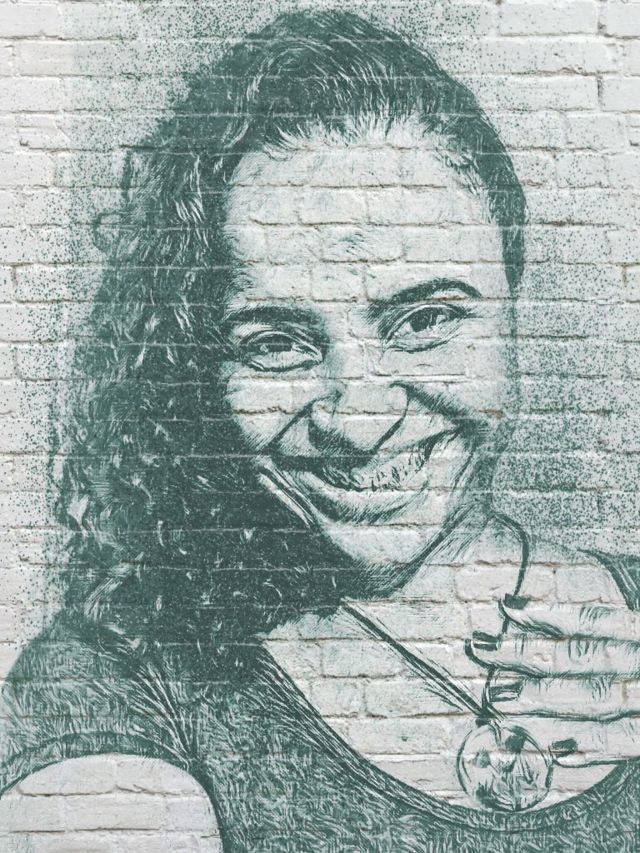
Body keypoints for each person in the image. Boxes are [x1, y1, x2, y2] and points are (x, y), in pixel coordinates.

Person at [2, 10, 640, 850]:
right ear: (201, 369)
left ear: (514, 305)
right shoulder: (112, 680)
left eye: (425, 320)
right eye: (276, 343)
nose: (359, 422)